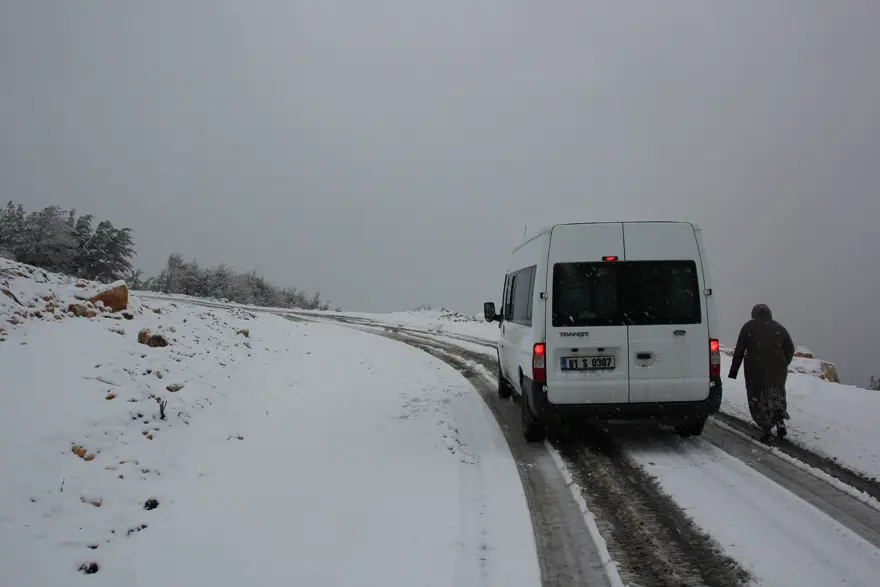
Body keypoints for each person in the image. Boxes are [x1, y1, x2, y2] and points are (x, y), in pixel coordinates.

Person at [728, 303, 795, 441]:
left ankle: (767, 430)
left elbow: (739, 350)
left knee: (758, 397)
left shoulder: (749, 327)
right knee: (776, 394)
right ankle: (779, 420)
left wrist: (733, 371)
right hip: (778, 369)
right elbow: (790, 348)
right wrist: (783, 363)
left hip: (756, 368)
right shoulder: (779, 328)